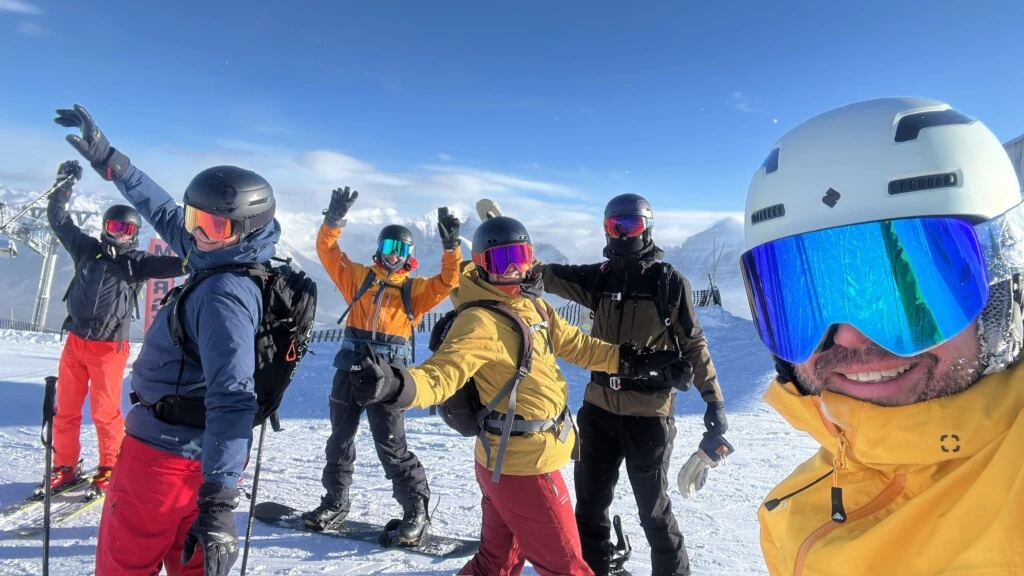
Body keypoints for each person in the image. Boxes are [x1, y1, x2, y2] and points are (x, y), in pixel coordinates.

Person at [743, 97, 1024, 575]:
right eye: (807, 302)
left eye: (910, 297)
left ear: (1002, 290)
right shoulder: (792, 511)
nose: (848, 339)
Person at [346, 215, 680, 576]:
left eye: (520, 258)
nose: (513, 271)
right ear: (481, 266)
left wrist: (635, 361)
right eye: (501, 262)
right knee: (569, 569)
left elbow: (578, 345)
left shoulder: (533, 305)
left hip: (504, 462)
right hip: (524, 468)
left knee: (496, 563)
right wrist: (395, 384)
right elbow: (441, 374)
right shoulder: (479, 322)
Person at [56, 104, 280, 576]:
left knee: (124, 566)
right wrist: (110, 160)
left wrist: (219, 501)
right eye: (195, 216)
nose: (196, 232)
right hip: (189, 463)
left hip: (161, 463)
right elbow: (158, 208)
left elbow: (233, 397)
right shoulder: (216, 254)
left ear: (246, 229)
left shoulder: (223, 293)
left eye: (212, 224)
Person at [532, 193, 726, 576]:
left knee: (653, 511)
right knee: (589, 507)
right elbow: (548, 275)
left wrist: (714, 402)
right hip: (598, 413)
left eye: (630, 225)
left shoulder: (668, 282)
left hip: (648, 417)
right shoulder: (599, 279)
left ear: (647, 228)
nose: (621, 234)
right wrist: (515, 259)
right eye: (613, 226)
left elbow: (693, 344)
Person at [303, 185, 462, 543]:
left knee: (390, 444)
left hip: (388, 376)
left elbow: (450, 280)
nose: (393, 256)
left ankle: (415, 511)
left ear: (409, 255)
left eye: (401, 250)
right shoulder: (360, 279)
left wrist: (452, 247)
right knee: (339, 438)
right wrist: (334, 220)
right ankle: (335, 501)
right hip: (351, 368)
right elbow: (327, 251)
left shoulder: (414, 291)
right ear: (379, 249)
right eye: (389, 247)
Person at [44, 159, 184, 496]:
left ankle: (110, 464)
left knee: (104, 412)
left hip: (109, 347)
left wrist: (199, 240)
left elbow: (183, 262)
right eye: (113, 227)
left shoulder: (137, 264)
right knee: (65, 408)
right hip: (75, 340)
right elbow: (59, 221)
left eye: (126, 230)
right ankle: (65, 464)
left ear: (135, 235)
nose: (118, 235)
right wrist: (63, 188)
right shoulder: (87, 250)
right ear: (105, 227)